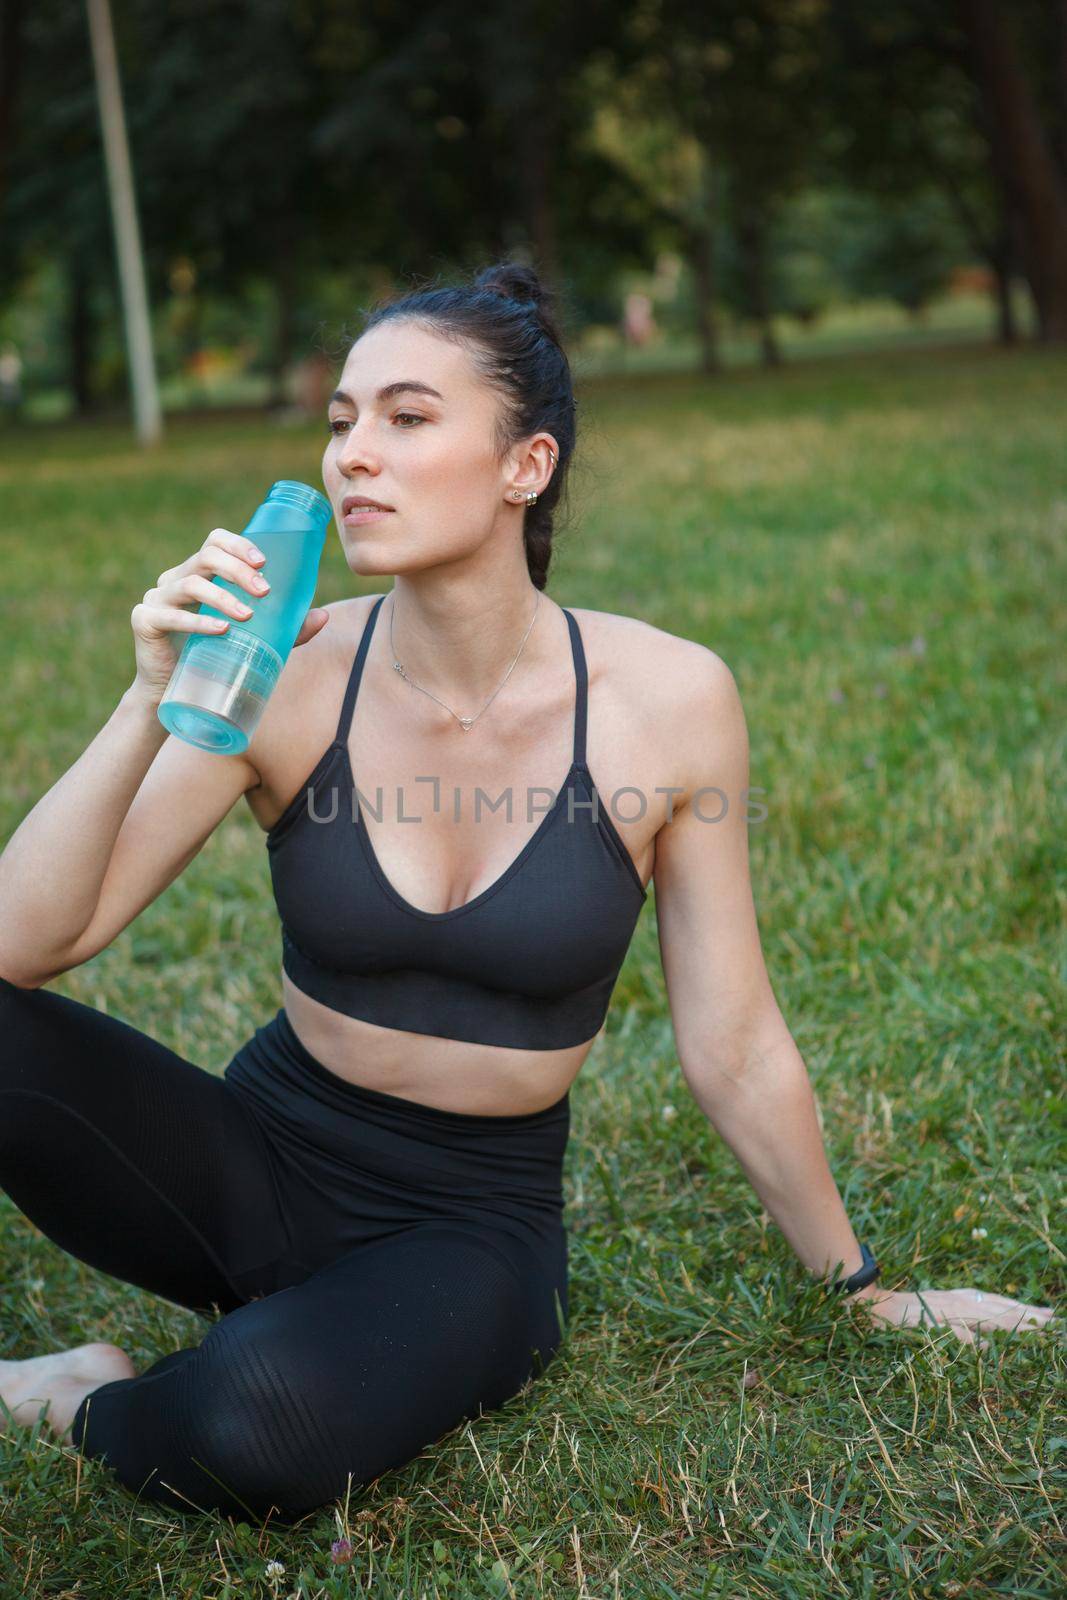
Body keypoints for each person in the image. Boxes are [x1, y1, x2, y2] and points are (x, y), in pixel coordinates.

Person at [0, 263, 1054, 1525]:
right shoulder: (286, 671)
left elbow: (729, 1036)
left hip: (465, 1225)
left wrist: (859, 1285)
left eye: (406, 417)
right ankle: (252, 1327)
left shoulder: (665, 702)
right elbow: (29, 943)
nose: (353, 458)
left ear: (524, 465)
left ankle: (77, 1393)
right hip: (257, 1156)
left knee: (257, 1425)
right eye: (340, 421)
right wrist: (144, 698)